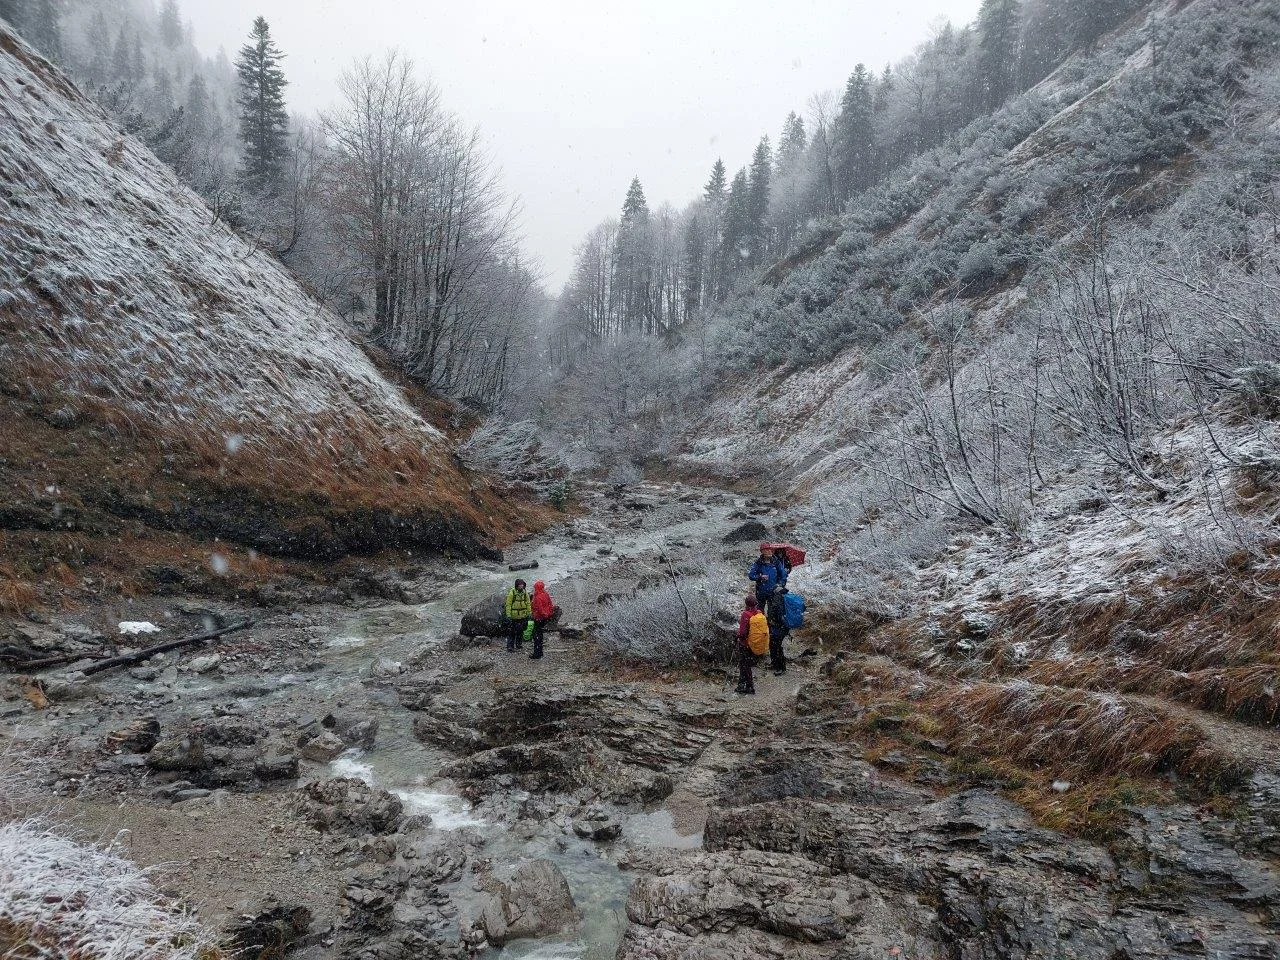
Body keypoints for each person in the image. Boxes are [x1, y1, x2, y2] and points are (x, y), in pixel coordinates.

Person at [736, 595, 768, 695]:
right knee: (747, 664)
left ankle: (748, 686)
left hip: (745, 644)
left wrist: (737, 636)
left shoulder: (746, 614)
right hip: (753, 644)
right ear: (756, 604)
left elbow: (742, 632)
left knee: (744, 665)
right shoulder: (759, 613)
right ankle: (743, 684)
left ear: (746, 604)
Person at [765, 585, 790, 675]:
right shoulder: (782, 596)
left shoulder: (777, 597)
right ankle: (775, 664)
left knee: (777, 646)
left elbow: (778, 612)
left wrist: (774, 621)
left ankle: (781, 668)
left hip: (779, 627)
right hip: (780, 627)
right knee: (773, 645)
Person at [530, 580, 555, 660]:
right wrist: (549, 614)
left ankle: (537, 654)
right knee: (540, 634)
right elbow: (550, 604)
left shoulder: (537, 597)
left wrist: (542, 614)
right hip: (544, 617)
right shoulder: (546, 594)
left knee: (536, 635)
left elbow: (540, 609)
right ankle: (540, 652)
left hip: (538, 617)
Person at [504, 579, 532, 652]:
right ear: (516, 586)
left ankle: (519, 644)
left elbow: (528, 603)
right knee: (512, 632)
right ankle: (510, 647)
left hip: (523, 616)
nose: (521, 587)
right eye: (519, 585)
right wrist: (508, 615)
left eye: (522, 585)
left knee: (520, 631)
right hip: (514, 616)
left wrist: (529, 613)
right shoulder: (512, 593)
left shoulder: (525, 592)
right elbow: (508, 605)